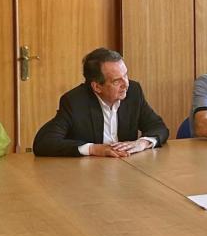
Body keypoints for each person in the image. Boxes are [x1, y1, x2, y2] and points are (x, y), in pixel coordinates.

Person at [33, 48, 168, 157]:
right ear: (97, 87)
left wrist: (143, 143)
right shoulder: (75, 101)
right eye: (116, 81)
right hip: (87, 175)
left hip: (127, 169)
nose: (125, 84)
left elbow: (158, 126)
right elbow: (44, 143)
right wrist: (93, 149)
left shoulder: (133, 92)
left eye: (125, 75)